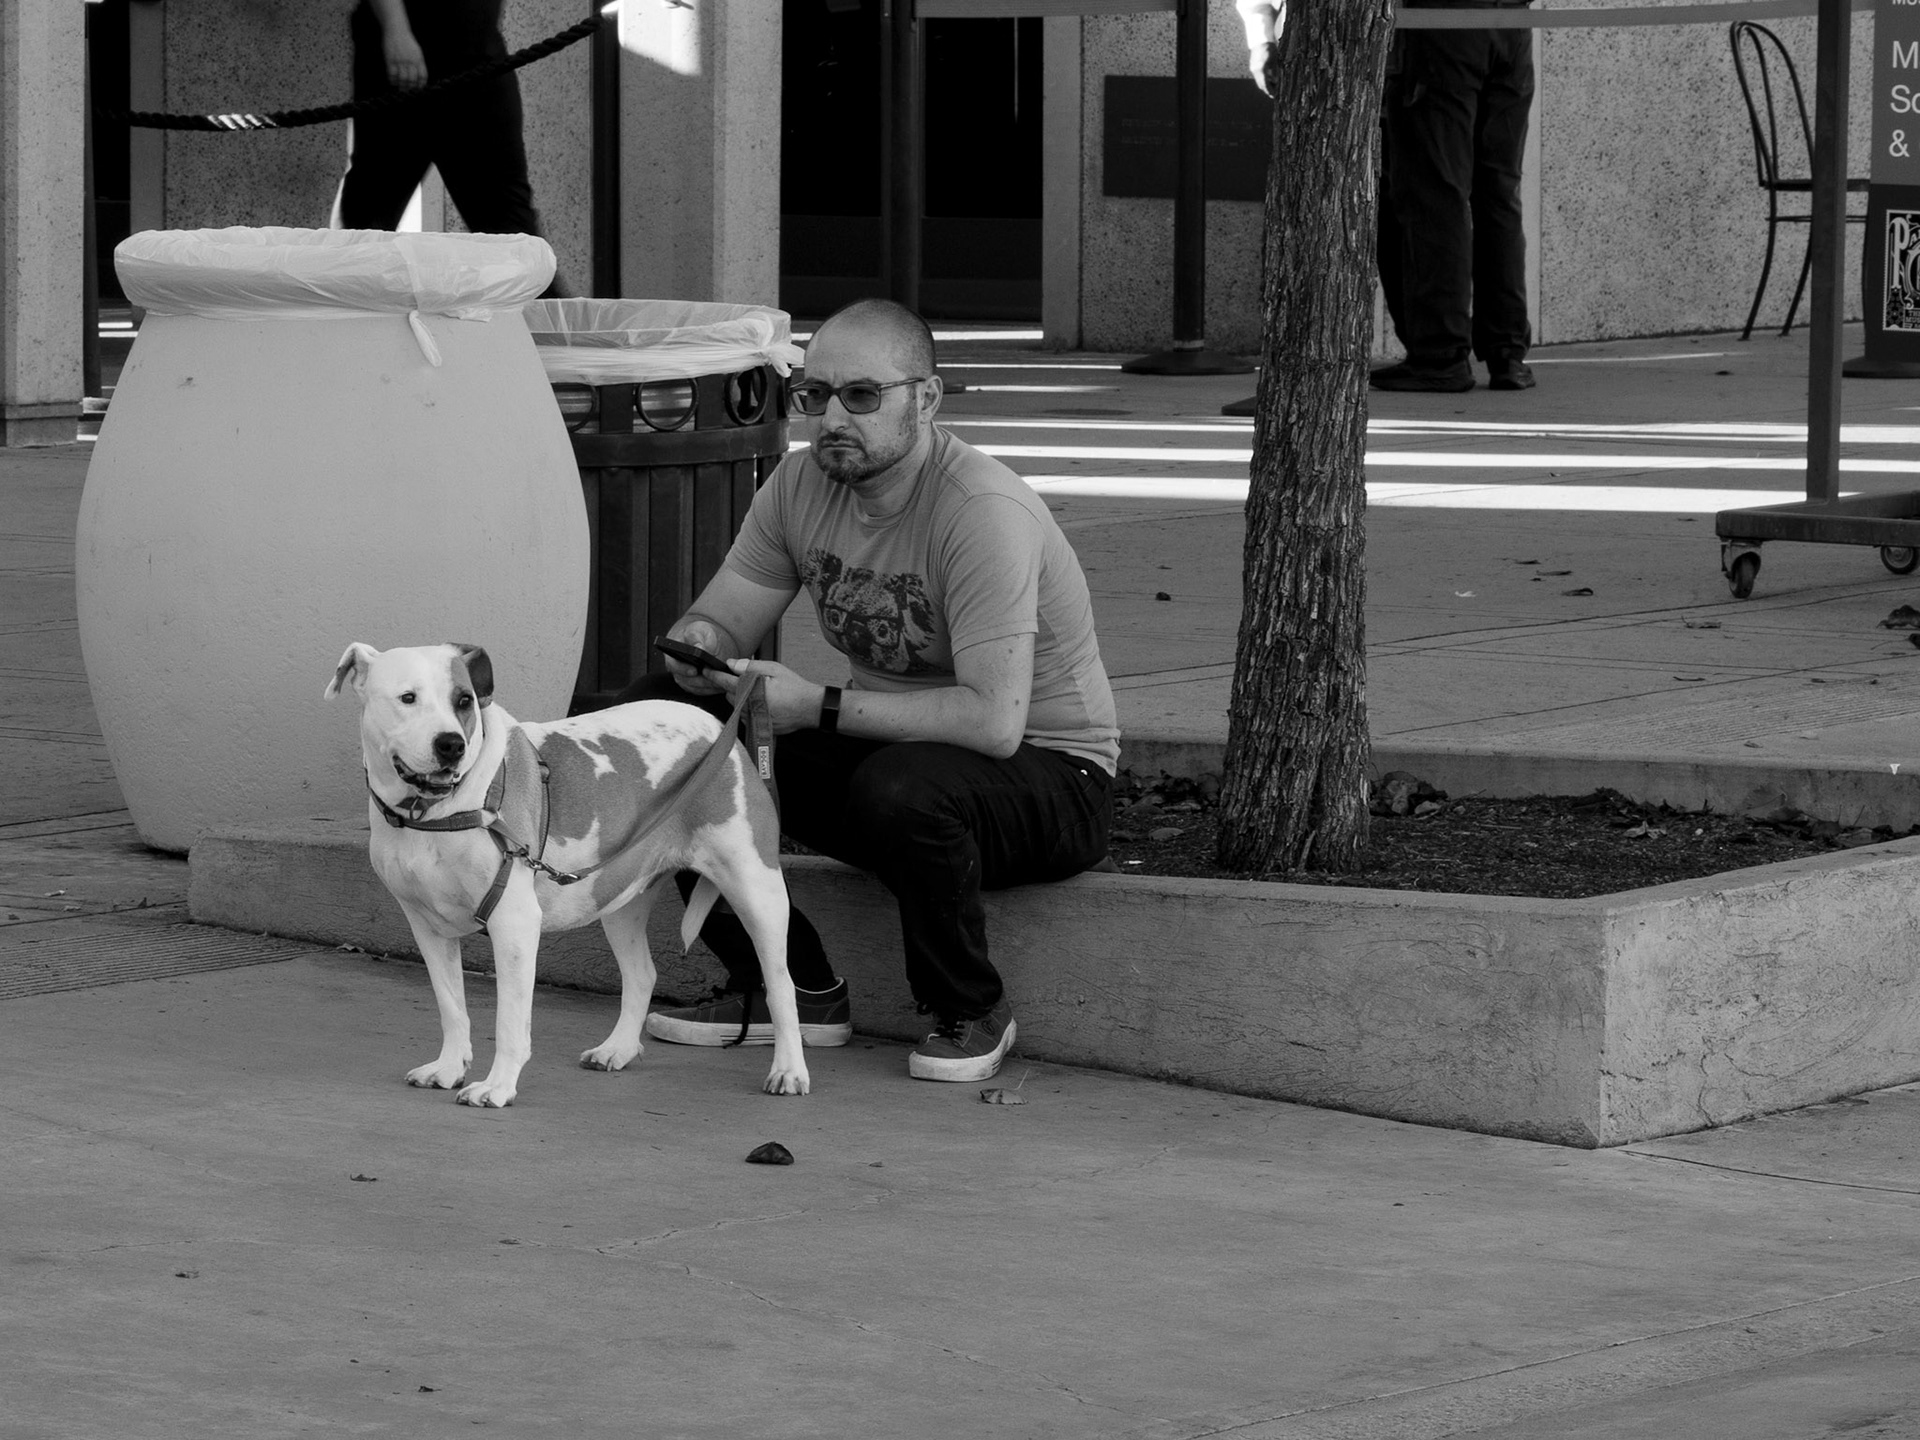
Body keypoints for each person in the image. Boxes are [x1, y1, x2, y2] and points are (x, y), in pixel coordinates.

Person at [615, 299, 1120, 1083]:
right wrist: (704, 650)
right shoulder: (798, 486)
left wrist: (811, 705)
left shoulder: (981, 511)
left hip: (1054, 779)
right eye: (813, 396)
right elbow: (725, 613)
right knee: (664, 727)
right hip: (894, 752)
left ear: (925, 398)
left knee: (903, 787)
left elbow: (993, 723)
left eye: (861, 395)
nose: (831, 418)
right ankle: (793, 987)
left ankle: (970, 1009)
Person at [1370, 2, 1537, 393]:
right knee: (1498, 194)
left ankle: (1440, 354)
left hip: (1438, 26)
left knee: (1433, 194)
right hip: (1511, 24)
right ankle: (1507, 354)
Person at [339, 0, 560, 278]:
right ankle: (345, 306)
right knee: (369, 215)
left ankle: (541, 311)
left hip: (480, 55)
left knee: (510, 223)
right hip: (404, 61)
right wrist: (396, 30)